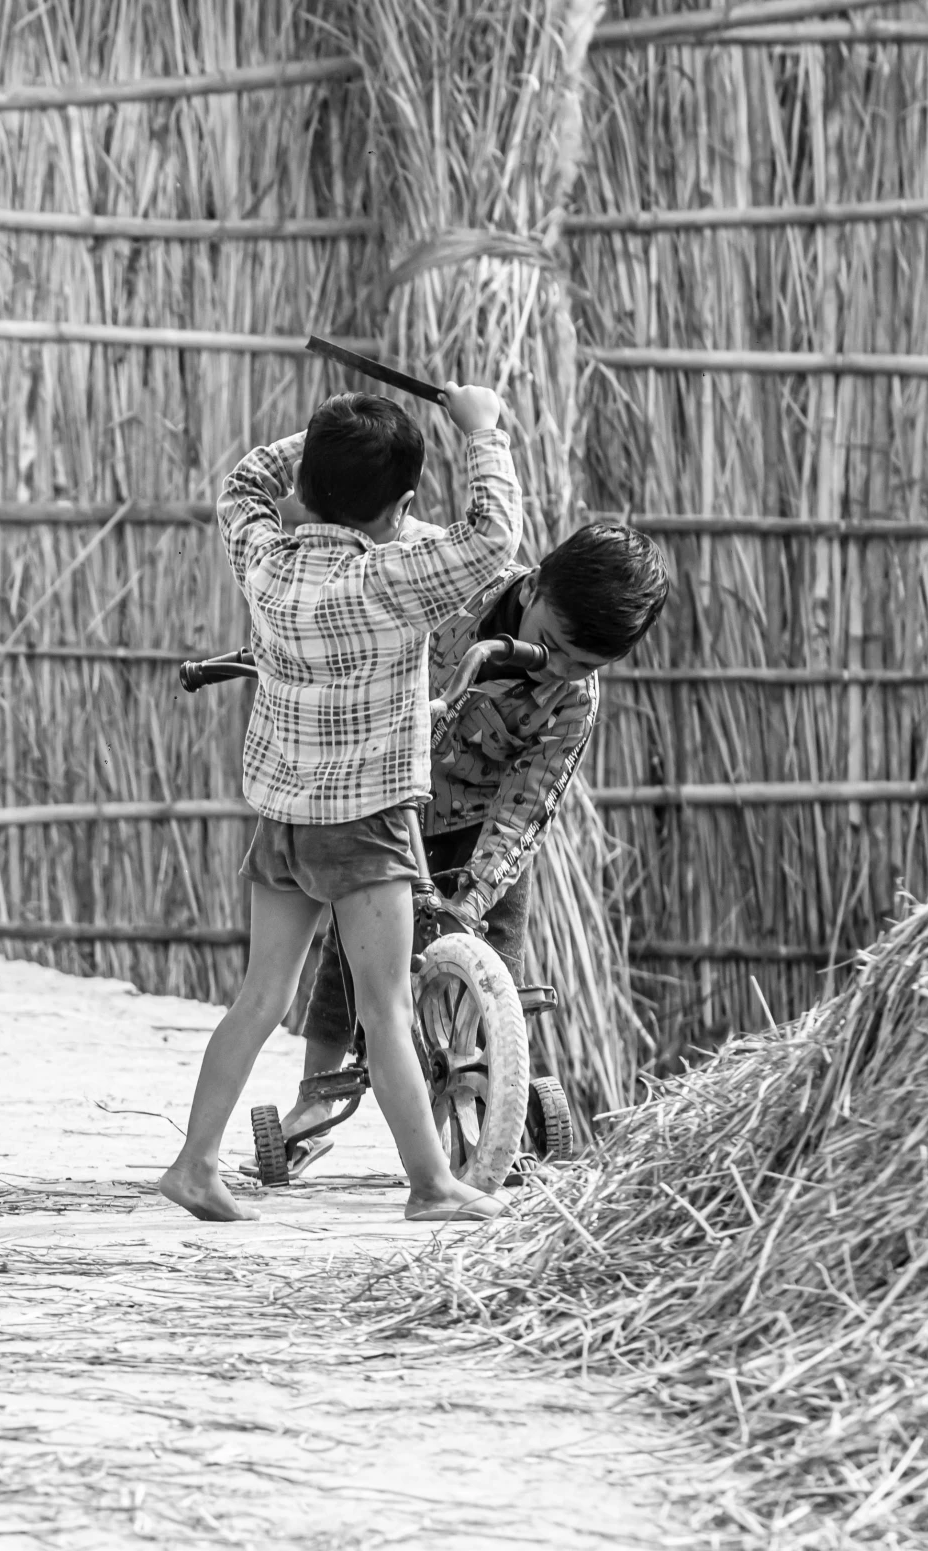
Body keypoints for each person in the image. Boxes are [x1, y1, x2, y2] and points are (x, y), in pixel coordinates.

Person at [156, 383, 522, 1224]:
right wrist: (482, 432)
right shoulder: (395, 576)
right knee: (385, 1007)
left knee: (259, 995)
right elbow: (494, 537)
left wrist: (333, 439)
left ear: (306, 487)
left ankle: (194, 1163)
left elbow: (246, 482)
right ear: (398, 509)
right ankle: (432, 1185)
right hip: (367, 823)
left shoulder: (267, 561)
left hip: (282, 817)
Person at [273, 524, 672, 1173]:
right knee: (353, 951)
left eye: (586, 665)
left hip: (482, 821)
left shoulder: (573, 701)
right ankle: (316, 1098)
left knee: (497, 950)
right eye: (555, 647)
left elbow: (527, 804)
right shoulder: (454, 589)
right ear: (535, 583)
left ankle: (489, 1109)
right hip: (386, 793)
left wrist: (477, 894)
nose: (562, 670)